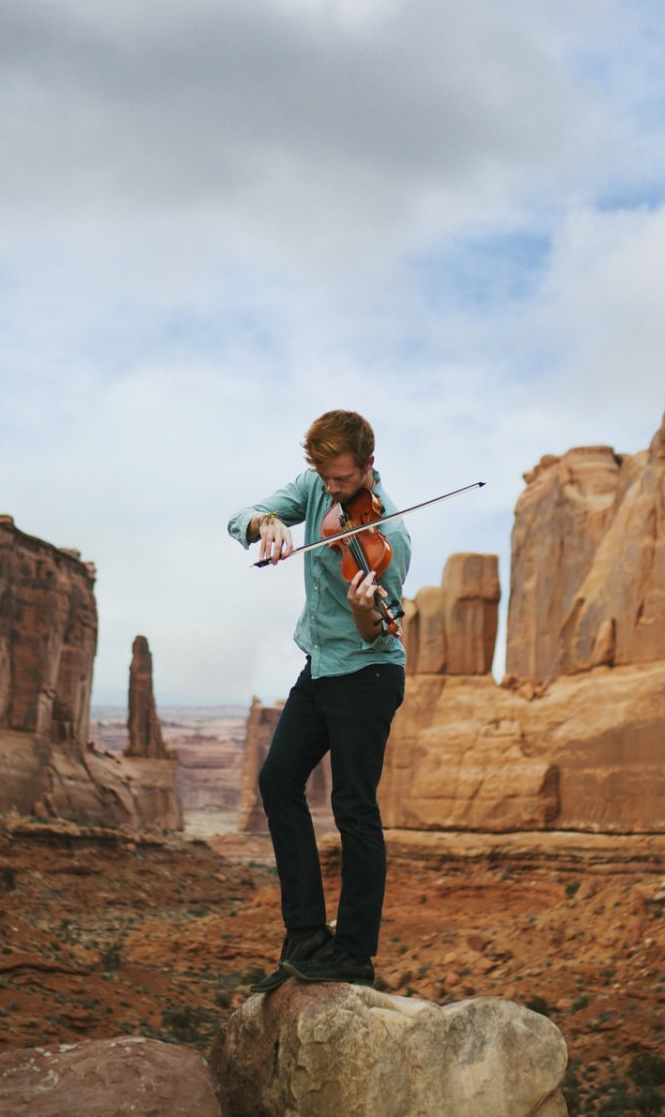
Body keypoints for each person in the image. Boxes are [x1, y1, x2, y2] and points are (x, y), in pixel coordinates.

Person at [229, 409, 409, 990]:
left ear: (369, 466)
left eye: (344, 480)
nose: (333, 490)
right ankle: (305, 932)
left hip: (368, 675)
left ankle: (353, 951)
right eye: (327, 479)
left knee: (355, 809)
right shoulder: (312, 488)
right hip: (320, 669)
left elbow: (377, 630)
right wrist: (265, 525)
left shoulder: (392, 537)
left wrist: (364, 611)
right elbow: (238, 517)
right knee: (278, 780)